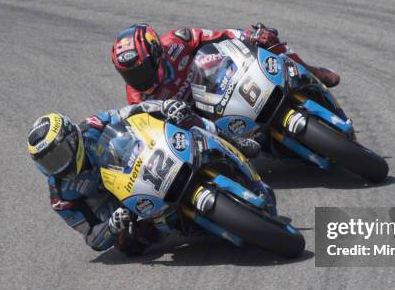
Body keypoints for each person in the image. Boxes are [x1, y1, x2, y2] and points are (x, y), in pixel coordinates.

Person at [26, 100, 253, 255]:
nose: (58, 166)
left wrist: (164, 106)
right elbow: (91, 237)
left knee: (183, 118)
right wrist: (111, 227)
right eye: (48, 162)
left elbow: (134, 111)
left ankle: (230, 139)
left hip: (140, 163)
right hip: (119, 205)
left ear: (72, 139)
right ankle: (180, 222)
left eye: (59, 155)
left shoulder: (92, 126)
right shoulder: (60, 195)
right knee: (129, 243)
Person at [111, 22, 340, 105]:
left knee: (267, 40)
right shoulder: (137, 98)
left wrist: (250, 36)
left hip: (224, 78)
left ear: (156, 52)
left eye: (141, 71)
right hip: (204, 117)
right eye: (130, 75)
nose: (137, 80)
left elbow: (222, 35)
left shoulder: (178, 40)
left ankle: (312, 71)